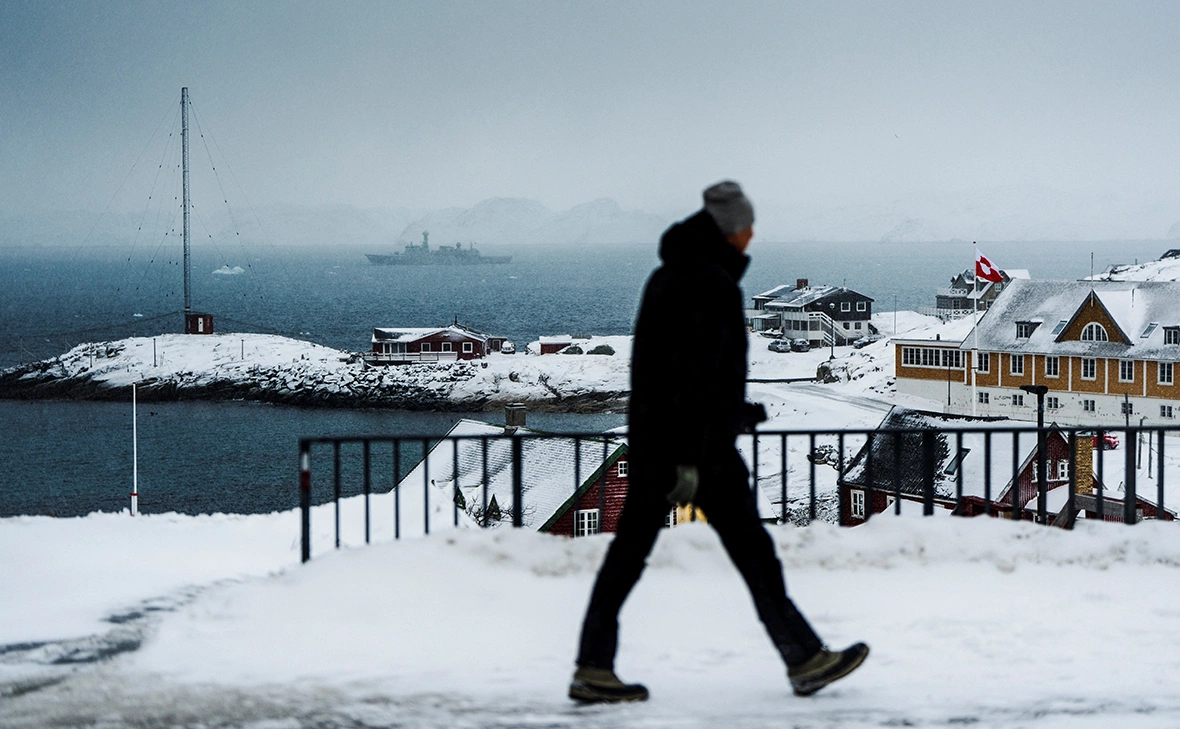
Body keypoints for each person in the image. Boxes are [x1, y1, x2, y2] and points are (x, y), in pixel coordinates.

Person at [568, 181, 868, 703]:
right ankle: (803, 659)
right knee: (755, 555)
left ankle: (592, 666)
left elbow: (665, 375)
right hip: (698, 449)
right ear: (733, 231)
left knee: (628, 557)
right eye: (749, 227)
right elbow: (698, 379)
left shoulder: (665, 278)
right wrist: (696, 450)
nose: (753, 236)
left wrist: (728, 415)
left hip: (658, 440)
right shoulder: (711, 284)